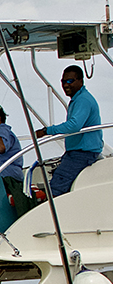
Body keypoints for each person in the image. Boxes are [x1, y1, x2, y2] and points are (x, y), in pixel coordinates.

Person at [35, 66, 104, 196]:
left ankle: (54, 215)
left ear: (81, 81)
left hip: (82, 155)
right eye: (63, 81)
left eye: (70, 81)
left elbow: (74, 126)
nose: (65, 85)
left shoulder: (83, 100)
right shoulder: (78, 99)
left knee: (55, 190)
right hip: (77, 153)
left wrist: (46, 131)